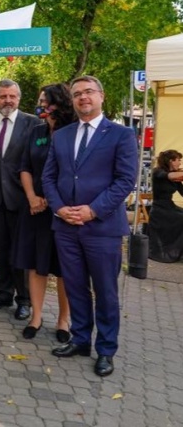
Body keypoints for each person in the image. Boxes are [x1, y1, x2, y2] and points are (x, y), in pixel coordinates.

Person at [43, 75, 137, 377]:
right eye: (77, 94)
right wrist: (59, 208)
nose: (83, 97)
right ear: (72, 100)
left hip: (102, 228)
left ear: (101, 96)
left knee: (106, 291)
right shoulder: (62, 135)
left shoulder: (121, 135)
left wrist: (92, 211)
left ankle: (106, 349)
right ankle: (81, 339)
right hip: (66, 227)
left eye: (88, 92)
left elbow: (125, 180)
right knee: (74, 287)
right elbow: (49, 177)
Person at [14, 84, 74, 342]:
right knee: (36, 265)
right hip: (34, 209)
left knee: (63, 269)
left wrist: (52, 201)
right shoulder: (36, 131)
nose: (40, 106)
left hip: (63, 211)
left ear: (58, 104)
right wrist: (31, 196)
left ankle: (63, 320)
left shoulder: (72, 133)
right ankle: (36, 316)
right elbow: (25, 166)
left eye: (44, 101)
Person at [0, 80, 40, 321]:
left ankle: (24, 300)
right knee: (0, 249)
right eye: (3, 96)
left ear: (19, 98)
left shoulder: (34, 125)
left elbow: (38, 161)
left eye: (12, 96)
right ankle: (3, 294)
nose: (8, 100)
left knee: (21, 252)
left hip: (22, 199)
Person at [148, 149, 183, 263]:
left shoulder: (175, 177)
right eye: (178, 160)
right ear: (170, 161)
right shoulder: (158, 172)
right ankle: (171, 250)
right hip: (160, 210)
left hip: (170, 207)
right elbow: (169, 176)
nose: (180, 163)